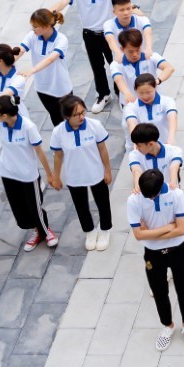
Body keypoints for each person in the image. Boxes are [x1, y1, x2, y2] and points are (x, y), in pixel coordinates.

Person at [0, 94, 59, 251]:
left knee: (34, 207)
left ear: (4, 115)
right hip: (8, 172)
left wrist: (50, 174)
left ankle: (45, 231)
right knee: (19, 209)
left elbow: (39, 151)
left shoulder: (28, 127)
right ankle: (37, 231)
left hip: (28, 174)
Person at [128, 169, 184, 351]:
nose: (150, 199)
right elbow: (138, 235)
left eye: (153, 195)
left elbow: (181, 230)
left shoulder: (176, 195)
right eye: (147, 196)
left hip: (177, 250)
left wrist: (150, 234)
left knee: (183, 288)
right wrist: (168, 228)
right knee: (159, 292)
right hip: (153, 254)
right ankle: (167, 326)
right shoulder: (134, 200)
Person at [51, 0, 124, 107]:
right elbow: (64, 1)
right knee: (97, 67)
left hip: (110, 34)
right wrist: (49, 13)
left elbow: (123, 1)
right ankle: (104, 94)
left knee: (117, 64)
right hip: (89, 35)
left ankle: (121, 93)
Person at [48, 95, 113, 251]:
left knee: (103, 203)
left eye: (83, 112)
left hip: (96, 172)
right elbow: (58, 156)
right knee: (81, 206)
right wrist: (56, 177)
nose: (81, 117)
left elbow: (102, 149)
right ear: (66, 116)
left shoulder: (94, 125)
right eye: (76, 114)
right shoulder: (58, 132)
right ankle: (90, 231)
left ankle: (105, 230)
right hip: (74, 176)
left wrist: (107, 170)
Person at [17, 9, 73, 132]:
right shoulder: (32, 36)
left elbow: (50, 59)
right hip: (42, 88)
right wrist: (9, 58)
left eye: (35, 26)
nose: (33, 29)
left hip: (60, 87)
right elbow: (20, 50)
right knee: (55, 117)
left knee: (70, 118)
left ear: (46, 26)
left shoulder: (61, 39)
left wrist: (31, 71)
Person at [110, 29, 174, 107]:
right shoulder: (116, 64)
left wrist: (156, 81)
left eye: (137, 50)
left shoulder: (151, 57)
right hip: (132, 103)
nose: (135, 54)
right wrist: (126, 92)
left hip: (154, 100)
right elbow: (118, 79)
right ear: (122, 49)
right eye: (130, 51)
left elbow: (169, 68)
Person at [122, 75, 178, 147]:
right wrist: (137, 143)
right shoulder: (131, 107)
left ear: (155, 87)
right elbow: (132, 123)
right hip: (142, 147)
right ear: (135, 90)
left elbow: (172, 117)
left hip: (165, 145)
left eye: (148, 92)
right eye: (141, 93)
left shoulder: (167, 101)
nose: (145, 96)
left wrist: (171, 137)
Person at [127, 122, 184, 193]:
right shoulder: (134, 154)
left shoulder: (174, 151)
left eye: (139, 145)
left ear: (151, 144)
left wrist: (173, 183)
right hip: (148, 195)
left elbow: (174, 167)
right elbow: (136, 170)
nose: (136, 148)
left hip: (168, 192)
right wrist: (137, 186)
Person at [101, 0, 154, 65]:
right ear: (114, 12)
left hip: (143, 58)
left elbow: (148, 32)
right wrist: (117, 53)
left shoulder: (142, 20)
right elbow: (110, 39)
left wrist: (148, 48)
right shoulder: (109, 24)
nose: (126, 13)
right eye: (121, 10)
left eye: (128, 9)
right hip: (122, 60)